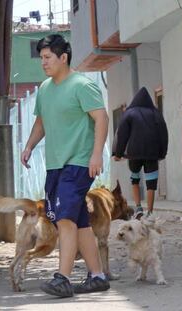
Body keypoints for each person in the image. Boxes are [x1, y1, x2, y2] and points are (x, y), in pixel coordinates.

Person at [21, 34, 110, 297]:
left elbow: (102, 118)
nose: (43, 63)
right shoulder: (46, 88)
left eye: (48, 57)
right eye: (42, 58)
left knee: (65, 219)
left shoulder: (82, 85)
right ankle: (97, 276)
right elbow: (41, 123)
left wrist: (97, 155)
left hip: (79, 162)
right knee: (79, 221)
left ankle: (63, 278)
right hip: (55, 165)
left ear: (64, 57)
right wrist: (29, 146)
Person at [113, 87, 168, 219]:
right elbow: (164, 134)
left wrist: (118, 153)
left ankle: (138, 208)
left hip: (134, 154)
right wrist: (162, 153)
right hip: (152, 154)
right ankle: (149, 211)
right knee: (151, 183)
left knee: (135, 179)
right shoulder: (156, 114)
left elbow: (122, 134)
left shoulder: (129, 113)